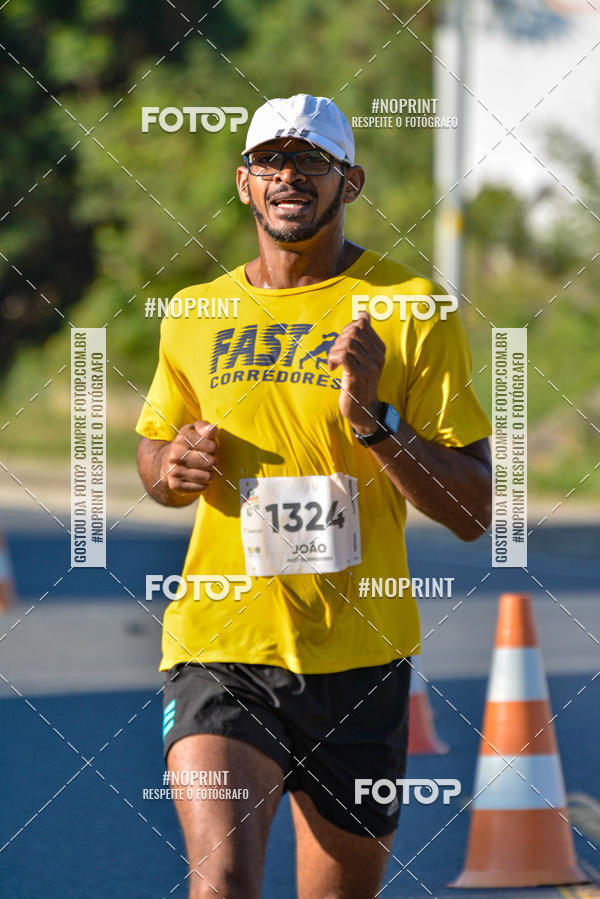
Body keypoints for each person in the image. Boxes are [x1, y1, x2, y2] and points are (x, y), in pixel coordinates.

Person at [136, 93, 492, 899]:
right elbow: (155, 453)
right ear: (243, 183)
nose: (288, 175)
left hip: (359, 658)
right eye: (270, 160)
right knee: (221, 879)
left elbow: (473, 511)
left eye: (311, 161)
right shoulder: (195, 314)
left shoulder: (412, 308)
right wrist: (172, 469)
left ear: (350, 181)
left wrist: (376, 422)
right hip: (222, 647)